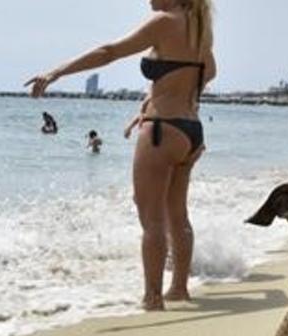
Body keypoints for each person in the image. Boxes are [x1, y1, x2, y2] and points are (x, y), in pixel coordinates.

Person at [26, 0, 215, 310]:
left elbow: (109, 51)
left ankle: (152, 297)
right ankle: (179, 288)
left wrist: (56, 72)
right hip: (190, 131)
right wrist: (160, 100)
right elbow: (208, 72)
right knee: (177, 215)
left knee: (151, 219)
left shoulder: (164, 21)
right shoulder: (199, 27)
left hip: (161, 131)